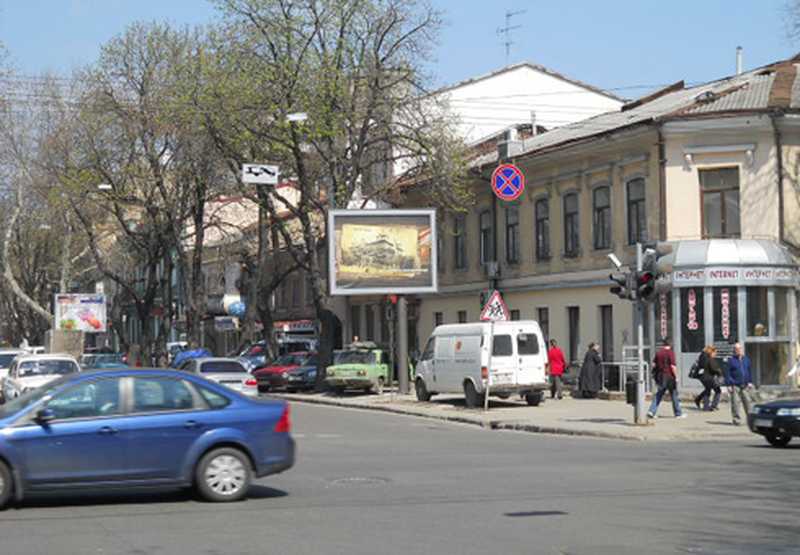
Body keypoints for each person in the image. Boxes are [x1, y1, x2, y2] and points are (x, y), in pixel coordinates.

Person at [648, 341, 686, 419]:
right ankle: (678, 413)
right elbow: (672, 366)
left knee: (659, 394)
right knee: (674, 395)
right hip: (670, 377)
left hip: (661, 377)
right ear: (670, 345)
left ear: (663, 344)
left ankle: (651, 411)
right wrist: (676, 377)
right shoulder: (670, 353)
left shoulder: (659, 353)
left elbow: (654, 364)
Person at [725, 343, 754, 426]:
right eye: (736, 349)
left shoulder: (746, 359)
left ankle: (750, 419)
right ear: (734, 350)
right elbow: (727, 373)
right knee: (735, 403)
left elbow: (749, 371)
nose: (738, 350)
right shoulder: (731, 360)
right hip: (735, 385)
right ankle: (736, 420)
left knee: (748, 403)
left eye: (740, 349)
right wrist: (728, 385)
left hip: (745, 385)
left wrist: (750, 381)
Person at [693, 345, 722, 411]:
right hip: (709, 377)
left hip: (702, 377)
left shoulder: (703, 357)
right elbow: (714, 368)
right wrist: (720, 373)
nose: (716, 354)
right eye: (715, 352)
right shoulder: (710, 359)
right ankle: (713, 406)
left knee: (707, 390)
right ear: (712, 352)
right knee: (718, 391)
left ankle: (703, 404)